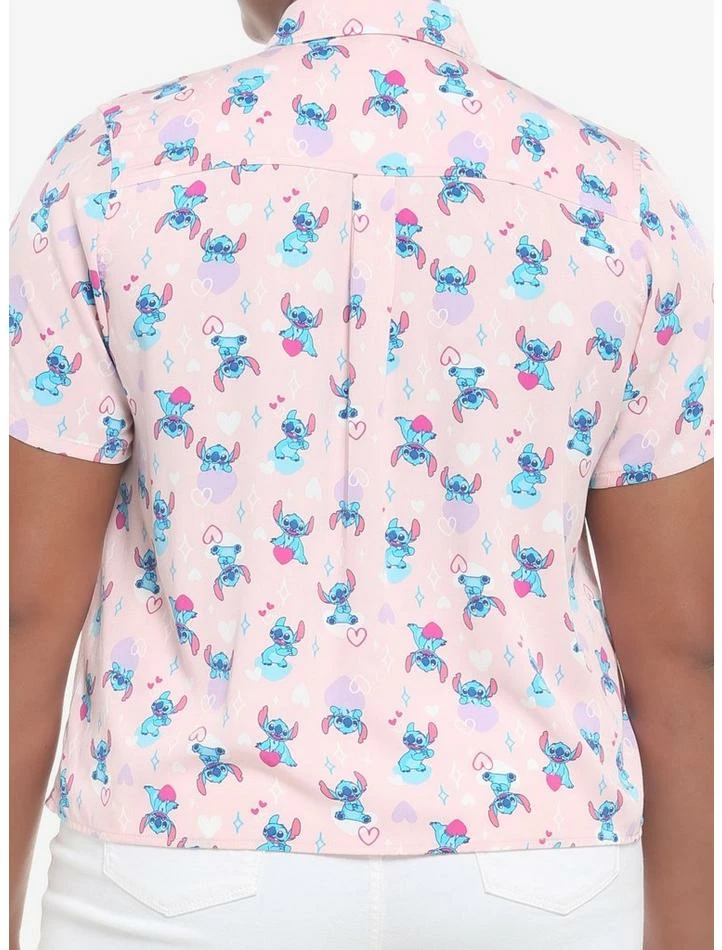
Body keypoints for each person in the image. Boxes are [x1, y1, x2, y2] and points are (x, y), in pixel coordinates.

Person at [9, 1, 713, 948]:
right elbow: (679, 646)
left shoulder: (109, 169)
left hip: (178, 861)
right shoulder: (616, 198)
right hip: (535, 872)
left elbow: (27, 612)